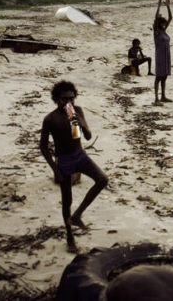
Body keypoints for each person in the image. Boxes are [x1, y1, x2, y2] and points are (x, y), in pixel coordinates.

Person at [40, 81, 108, 253]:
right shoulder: (50, 119)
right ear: (56, 99)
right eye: (64, 99)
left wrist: (81, 123)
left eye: (71, 99)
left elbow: (87, 136)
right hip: (63, 159)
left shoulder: (77, 111)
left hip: (79, 154)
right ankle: (70, 237)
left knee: (102, 179)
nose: (68, 103)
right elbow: (43, 147)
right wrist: (55, 170)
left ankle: (77, 215)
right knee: (67, 200)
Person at [152, 0, 173, 105]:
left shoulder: (164, 31)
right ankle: (156, 98)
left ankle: (163, 96)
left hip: (166, 56)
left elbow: (171, 18)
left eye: (164, 24)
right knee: (158, 77)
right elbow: (156, 19)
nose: (164, 25)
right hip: (160, 56)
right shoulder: (156, 32)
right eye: (162, 23)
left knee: (164, 76)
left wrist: (168, 6)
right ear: (158, 24)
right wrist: (159, 4)